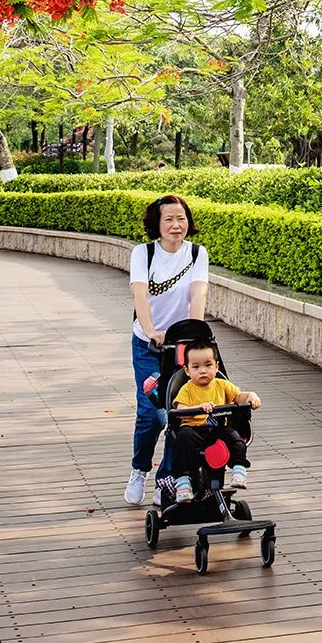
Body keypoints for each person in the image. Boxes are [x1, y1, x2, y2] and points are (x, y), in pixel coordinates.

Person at [125, 194, 209, 507]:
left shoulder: (197, 253)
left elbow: (197, 294)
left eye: (181, 218)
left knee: (181, 414)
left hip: (181, 349)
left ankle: (167, 478)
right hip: (148, 344)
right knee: (153, 415)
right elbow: (139, 294)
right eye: (169, 219)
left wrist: (195, 335)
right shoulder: (143, 254)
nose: (176, 225)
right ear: (157, 224)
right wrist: (150, 330)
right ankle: (139, 470)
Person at [171, 341, 260, 503]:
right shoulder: (187, 389)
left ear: (216, 367)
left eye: (208, 365)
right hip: (194, 430)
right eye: (196, 367)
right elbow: (180, 410)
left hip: (217, 430)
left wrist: (251, 396)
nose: (203, 371)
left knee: (234, 436)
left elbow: (239, 396)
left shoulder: (222, 385)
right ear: (187, 370)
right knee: (183, 438)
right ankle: (184, 482)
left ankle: (239, 469)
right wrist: (199, 407)